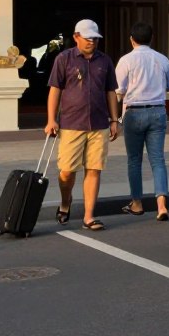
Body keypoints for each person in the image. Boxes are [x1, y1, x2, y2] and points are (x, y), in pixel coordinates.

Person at [45, 19, 119, 231]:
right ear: (76, 36)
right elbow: (55, 90)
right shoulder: (64, 59)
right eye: (87, 38)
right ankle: (66, 202)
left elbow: (110, 91)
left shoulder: (104, 61)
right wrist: (51, 119)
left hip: (99, 124)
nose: (92, 42)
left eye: (95, 39)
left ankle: (89, 215)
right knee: (67, 171)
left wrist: (114, 120)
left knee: (94, 169)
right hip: (70, 124)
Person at [115, 22, 169, 222]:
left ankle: (137, 203)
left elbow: (118, 89)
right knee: (157, 159)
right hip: (158, 111)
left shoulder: (126, 60)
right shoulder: (162, 59)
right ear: (151, 39)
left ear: (131, 39)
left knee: (134, 160)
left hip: (134, 112)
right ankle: (161, 206)